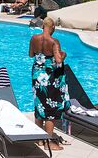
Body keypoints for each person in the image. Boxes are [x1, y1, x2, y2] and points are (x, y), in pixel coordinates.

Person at [29, 17, 69, 151]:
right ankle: (49, 142)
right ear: (52, 27)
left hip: (36, 76)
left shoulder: (34, 38)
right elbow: (58, 60)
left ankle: (39, 139)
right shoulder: (53, 41)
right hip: (49, 78)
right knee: (50, 109)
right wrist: (63, 55)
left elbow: (31, 55)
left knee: (39, 106)